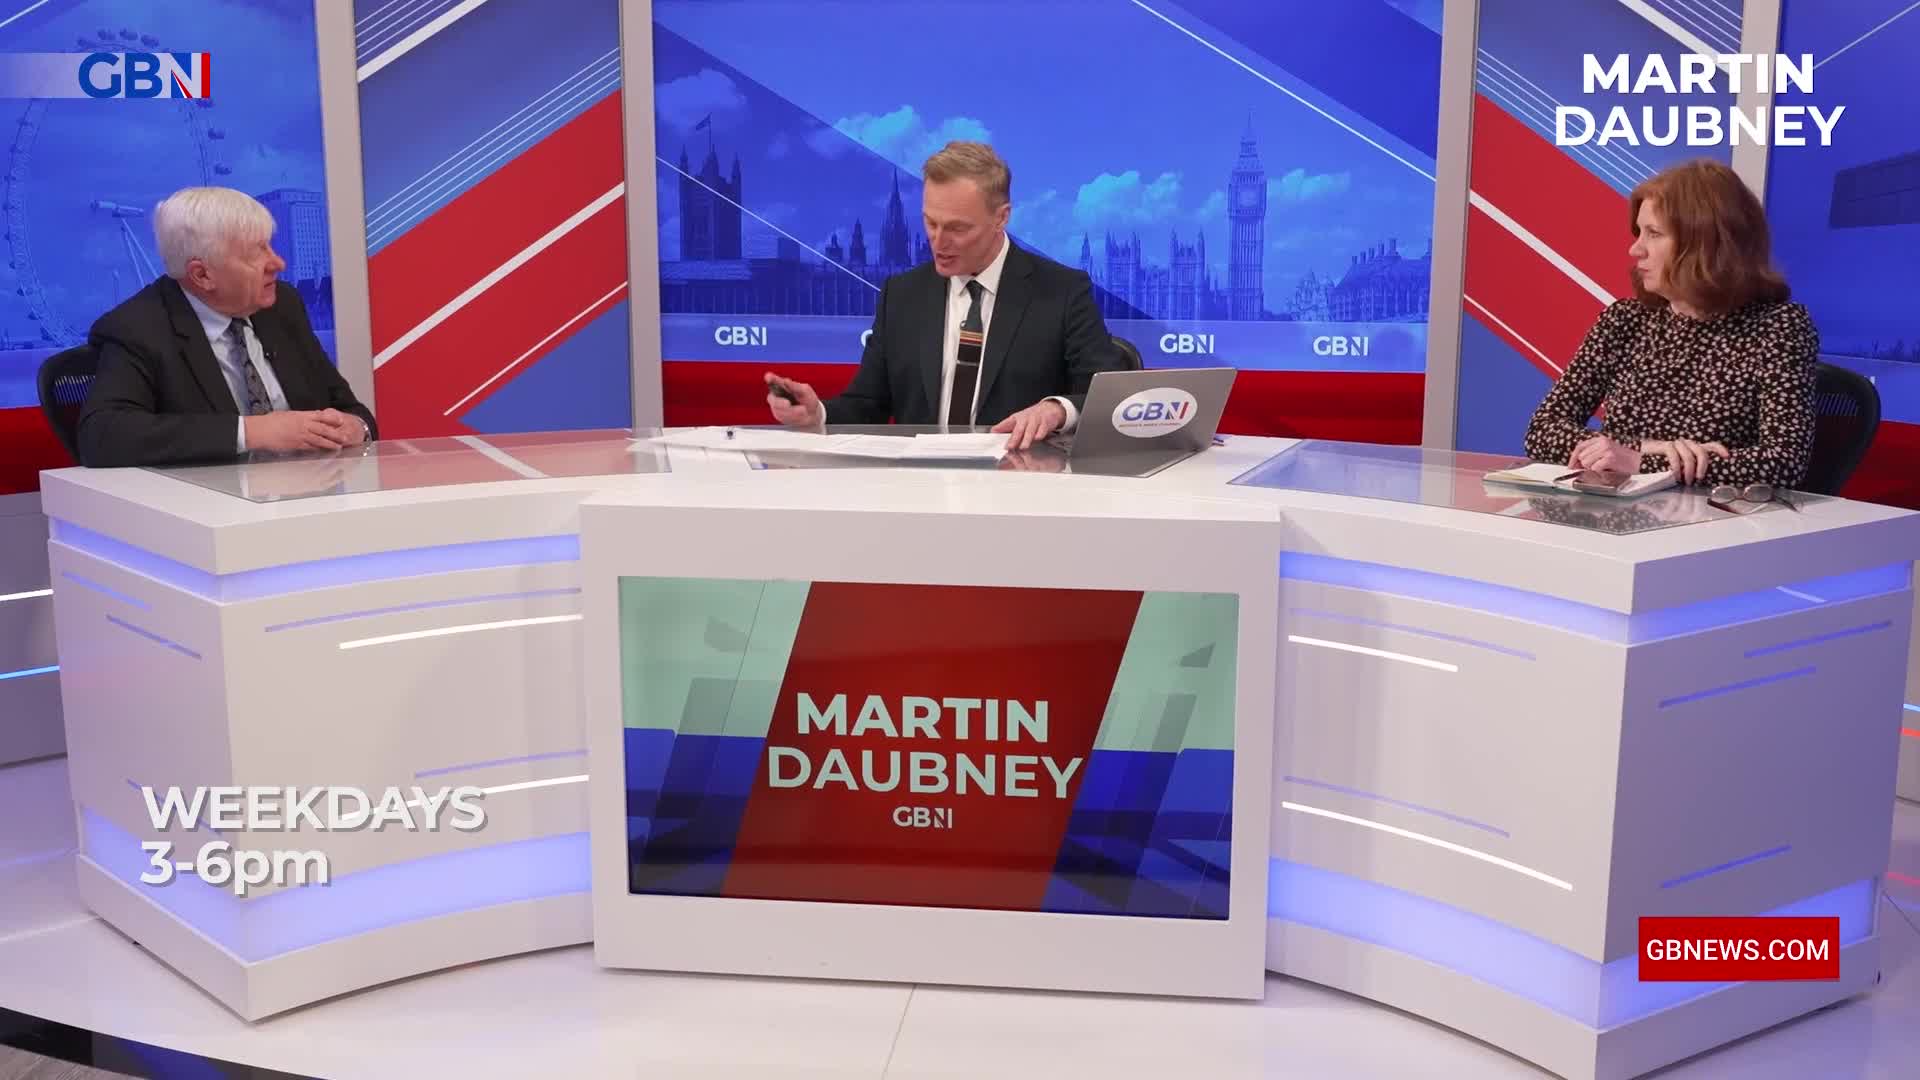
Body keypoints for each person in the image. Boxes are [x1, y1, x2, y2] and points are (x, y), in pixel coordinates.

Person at [763, 142, 1122, 449]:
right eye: (930, 223)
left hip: (1023, 493)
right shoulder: (901, 295)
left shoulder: (1061, 291)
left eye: (957, 228)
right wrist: (817, 415)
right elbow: (867, 404)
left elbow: (1110, 394)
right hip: (922, 495)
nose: (938, 240)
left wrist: (1057, 409)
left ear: (1002, 218)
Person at [1522, 159, 1818, 488]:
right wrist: (1649, 448)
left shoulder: (1778, 328)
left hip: (1715, 525)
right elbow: (1542, 430)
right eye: (1639, 233)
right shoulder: (1625, 319)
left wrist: (1640, 462)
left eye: (1654, 234)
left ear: (1704, 243)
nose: (1635, 249)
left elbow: (1784, 462)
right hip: (1616, 517)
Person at [77, 186, 377, 468]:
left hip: (310, 494)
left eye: (269, 246)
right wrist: (251, 432)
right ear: (202, 275)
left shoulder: (282, 305)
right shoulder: (137, 328)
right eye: (255, 253)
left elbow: (349, 407)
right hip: (207, 508)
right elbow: (103, 435)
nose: (278, 263)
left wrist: (356, 427)